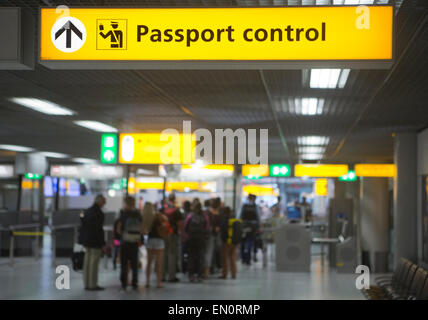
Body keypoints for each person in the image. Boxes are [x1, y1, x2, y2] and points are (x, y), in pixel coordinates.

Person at [116, 196, 143, 291]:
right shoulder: (138, 214)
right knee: (134, 263)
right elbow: (141, 227)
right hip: (135, 241)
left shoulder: (123, 213)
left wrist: (122, 235)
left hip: (125, 241)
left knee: (124, 263)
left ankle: (124, 282)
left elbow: (118, 229)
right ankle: (134, 282)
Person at [81, 194, 106, 291]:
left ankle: (86, 283)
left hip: (86, 240)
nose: (104, 203)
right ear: (99, 202)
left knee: (87, 262)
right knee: (94, 263)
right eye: (104, 201)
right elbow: (99, 229)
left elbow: (83, 225)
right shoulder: (99, 213)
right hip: (95, 241)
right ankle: (93, 284)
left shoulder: (87, 211)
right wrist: (102, 243)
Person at [184, 200, 209, 282]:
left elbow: (185, 227)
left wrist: (187, 236)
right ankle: (200, 275)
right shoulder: (204, 216)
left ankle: (191, 275)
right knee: (201, 257)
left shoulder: (189, 216)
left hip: (191, 239)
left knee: (191, 257)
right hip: (201, 239)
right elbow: (207, 227)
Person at [144, 202, 167, 288]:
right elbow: (165, 221)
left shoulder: (146, 217)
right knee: (159, 263)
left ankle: (147, 281)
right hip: (159, 241)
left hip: (150, 240)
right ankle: (158, 282)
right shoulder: (158, 216)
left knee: (149, 262)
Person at [162, 193, 183, 282]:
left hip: (163, 234)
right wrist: (180, 232)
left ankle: (162, 275)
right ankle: (171, 276)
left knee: (163, 254)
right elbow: (179, 224)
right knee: (172, 254)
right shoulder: (177, 211)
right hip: (173, 234)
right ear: (174, 199)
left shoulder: (163, 209)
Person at [220, 207, 242, 279]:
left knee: (225, 257)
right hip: (235, 241)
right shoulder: (235, 219)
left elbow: (222, 230)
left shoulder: (225, 220)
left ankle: (225, 273)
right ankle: (234, 273)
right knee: (233, 257)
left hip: (227, 241)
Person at [239, 194, 260, 265]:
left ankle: (243, 258)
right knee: (250, 243)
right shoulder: (255, 206)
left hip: (244, 227)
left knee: (243, 242)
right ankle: (247, 258)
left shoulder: (244, 206)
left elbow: (239, 216)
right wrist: (258, 226)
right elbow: (258, 217)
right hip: (252, 227)